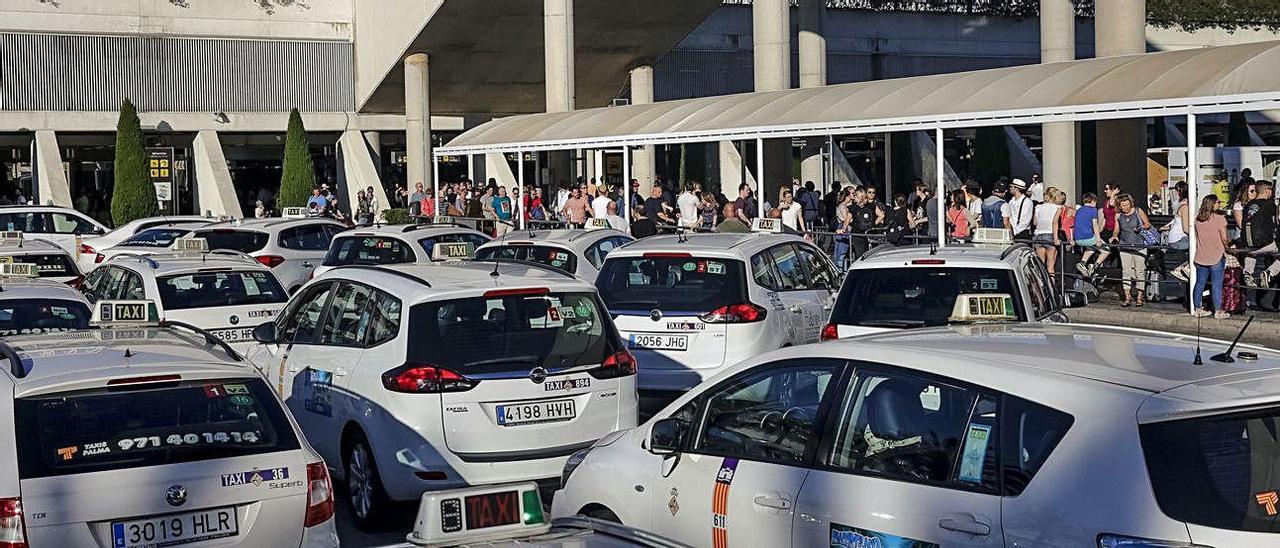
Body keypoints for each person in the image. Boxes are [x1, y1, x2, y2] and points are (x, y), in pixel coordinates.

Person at [1191, 195, 1231, 319]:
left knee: (1199, 283)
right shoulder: (1220, 219)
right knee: (1216, 284)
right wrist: (1228, 247)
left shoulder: (1198, 220)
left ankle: (1197, 309)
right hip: (1216, 255)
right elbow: (1224, 238)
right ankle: (1218, 311)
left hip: (1201, 256)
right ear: (1213, 204)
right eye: (1218, 202)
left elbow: (1198, 238)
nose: (1220, 204)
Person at [1111, 193, 1153, 307]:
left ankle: (1140, 296)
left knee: (1139, 271)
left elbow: (1147, 224)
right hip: (1124, 246)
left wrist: (1140, 228)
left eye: (1127, 205)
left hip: (1139, 245)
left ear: (1131, 203)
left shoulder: (1138, 211)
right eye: (1122, 205)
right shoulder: (1118, 216)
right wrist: (1114, 236)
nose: (1125, 207)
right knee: (1126, 272)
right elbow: (1116, 229)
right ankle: (1127, 296)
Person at [1242, 180, 1279, 287]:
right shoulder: (1269, 204)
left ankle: (1248, 272)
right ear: (1267, 190)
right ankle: (1269, 272)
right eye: (1271, 189)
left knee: (1252, 252)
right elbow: (1277, 220)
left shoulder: (1248, 205)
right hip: (1265, 242)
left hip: (1247, 242)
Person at [1074, 193, 1108, 276]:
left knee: (1091, 248)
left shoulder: (1079, 210)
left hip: (1078, 239)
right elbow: (1095, 225)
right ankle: (1095, 266)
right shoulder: (1093, 210)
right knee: (1106, 250)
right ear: (1093, 201)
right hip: (1088, 237)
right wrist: (1098, 239)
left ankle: (1083, 263)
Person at [1032, 188, 1062, 274]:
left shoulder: (1038, 207)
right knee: (1050, 267)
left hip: (1038, 235)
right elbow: (1055, 223)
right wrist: (1056, 238)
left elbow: (1035, 222)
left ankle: (1040, 286)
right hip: (1050, 235)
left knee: (1040, 267)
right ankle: (1050, 287)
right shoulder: (1057, 208)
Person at [1163, 182, 1189, 251]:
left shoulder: (1181, 204)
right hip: (1179, 239)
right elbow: (1186, 229)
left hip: (1175, 238)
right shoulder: (1185, 207)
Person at [832, 188, 854, 268]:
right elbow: (846, 219)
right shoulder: (843, 206)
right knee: (842, 252)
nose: (854, 195)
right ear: (847, 196)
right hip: (843, 228)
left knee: (842, 253)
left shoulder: (842, 205)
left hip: (843, 227)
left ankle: (842, 271)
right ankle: (840, 271)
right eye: (852, 194)